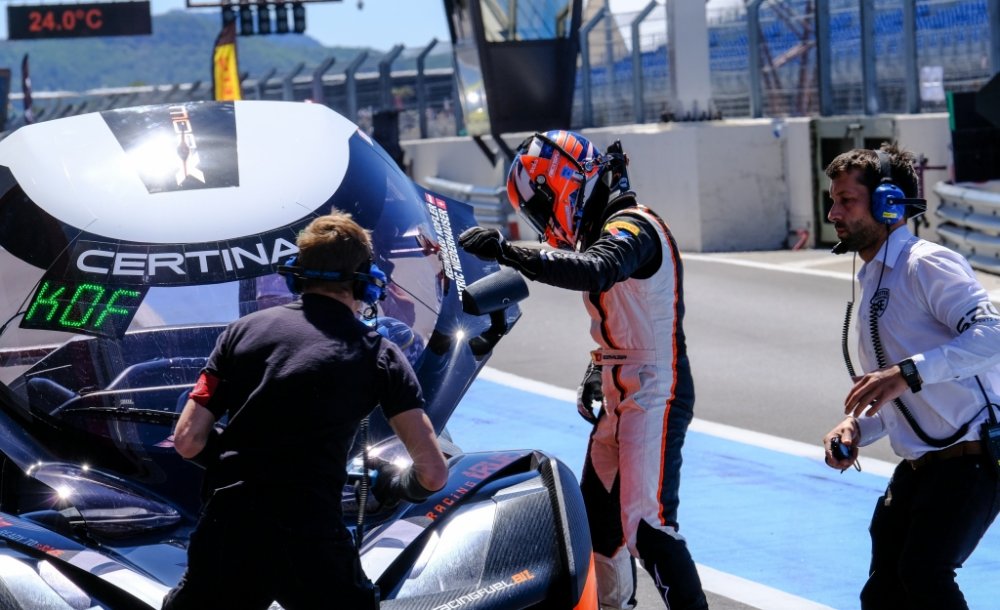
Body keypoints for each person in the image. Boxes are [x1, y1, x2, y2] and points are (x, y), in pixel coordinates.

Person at [459, 130, 708, 610]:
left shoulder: (635, 226)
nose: (541, 220)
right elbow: (625, 319)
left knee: (648, 528)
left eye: (540, 205)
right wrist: (599, 368)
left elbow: (597, 269)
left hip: (656, 393)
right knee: (596, 526)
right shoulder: (609, 231)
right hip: (623, 391)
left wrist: (508, 252)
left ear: (565, 182)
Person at [163, 211, 448, 610]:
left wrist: (241, 461)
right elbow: (433, 473)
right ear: (365, 280)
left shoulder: (240, 332)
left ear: (297, 273)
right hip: (311, 532)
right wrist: (397, 485)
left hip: (229, 525)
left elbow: (187, 440)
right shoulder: (379, 354)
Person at [821, 143, 1000, 610]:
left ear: (889, 204)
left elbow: (993, 335)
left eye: (846, 200)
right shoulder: (874, 278)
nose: (833, 213)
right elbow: (899, 393)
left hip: (971, 461)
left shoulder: (926, 263)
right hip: (921, 465)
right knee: (883, 591)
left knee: (924, 575)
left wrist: (907, 372)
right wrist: (856, 427)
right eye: (833, 200)